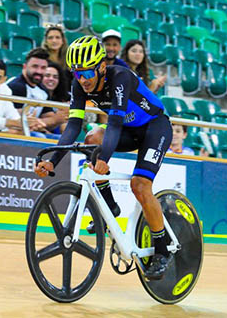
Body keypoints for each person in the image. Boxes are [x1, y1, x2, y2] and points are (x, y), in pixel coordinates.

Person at [34, 35, 174, 280]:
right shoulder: (79, 85)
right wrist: (52, 161)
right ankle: (109, 205)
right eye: (77, 74)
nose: (83, 80)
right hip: (129, 131)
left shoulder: (120, 77)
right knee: (91, 139)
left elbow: (116, 123)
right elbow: (73, 126)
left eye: (87, 73)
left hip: (154, 128)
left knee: (139, 186)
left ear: (100, 66)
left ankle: (162, 249)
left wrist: (105, 158)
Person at [7, 48, 66, 136]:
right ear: (25, 67)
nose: (39, 71)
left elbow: (49, 119)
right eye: (35, 66)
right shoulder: (17, 86)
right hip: (13, 133)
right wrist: (54, 119)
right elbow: (19, 121)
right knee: (40, 136)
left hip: (32, 131)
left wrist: (60, 117)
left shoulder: (43, 90)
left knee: (60, 140)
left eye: (43, 68)